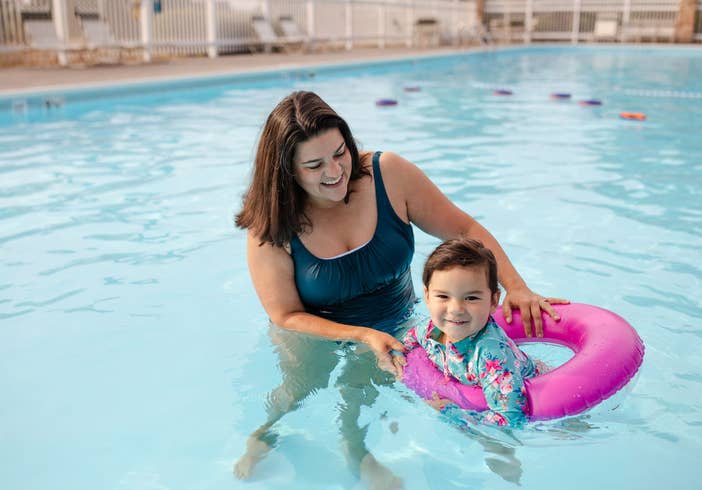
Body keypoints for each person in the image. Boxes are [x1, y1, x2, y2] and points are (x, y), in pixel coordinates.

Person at [233, 91, 567, 486]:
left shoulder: (387, 175)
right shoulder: (271, 226)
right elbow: (284, 315)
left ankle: (356, 452)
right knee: (297, 394)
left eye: (339, 153)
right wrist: (360, 335)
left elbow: (465, 230)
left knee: (363, 393)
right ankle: (264, 434)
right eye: (314, 164)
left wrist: (516, 287)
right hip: (316, 332)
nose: (335, 171)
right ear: (287, 171)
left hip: (398, 320)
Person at [394, 237, 543, 427]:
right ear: (427, 296)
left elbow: (511, 418)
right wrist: (396, 359)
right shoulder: (433, 330)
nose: (456, 309)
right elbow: (409, 341)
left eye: (471, 298)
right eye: (443, 296)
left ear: (493, 301)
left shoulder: (491, 355)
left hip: (534, 391)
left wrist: (451, 412)